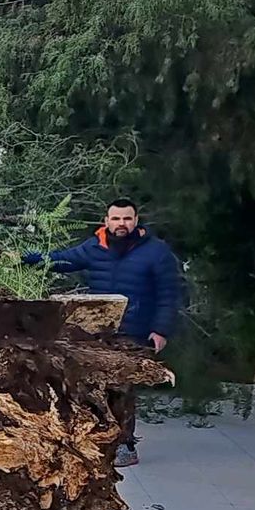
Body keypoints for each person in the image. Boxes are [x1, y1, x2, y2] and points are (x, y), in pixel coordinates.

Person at [23, 198, 185, 467]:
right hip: (98, 331)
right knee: (91, 386)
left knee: (122, 387)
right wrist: (32, 259)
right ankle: (95, 439)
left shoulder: (156, 252)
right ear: (107, 220)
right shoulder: (95, 246)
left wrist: (160, 330)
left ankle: (125, 445)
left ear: (136, 220)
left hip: (135, 331)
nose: (122, 224)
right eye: (116, 218)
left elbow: (168, 293)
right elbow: (63, 261)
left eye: (127, 218)